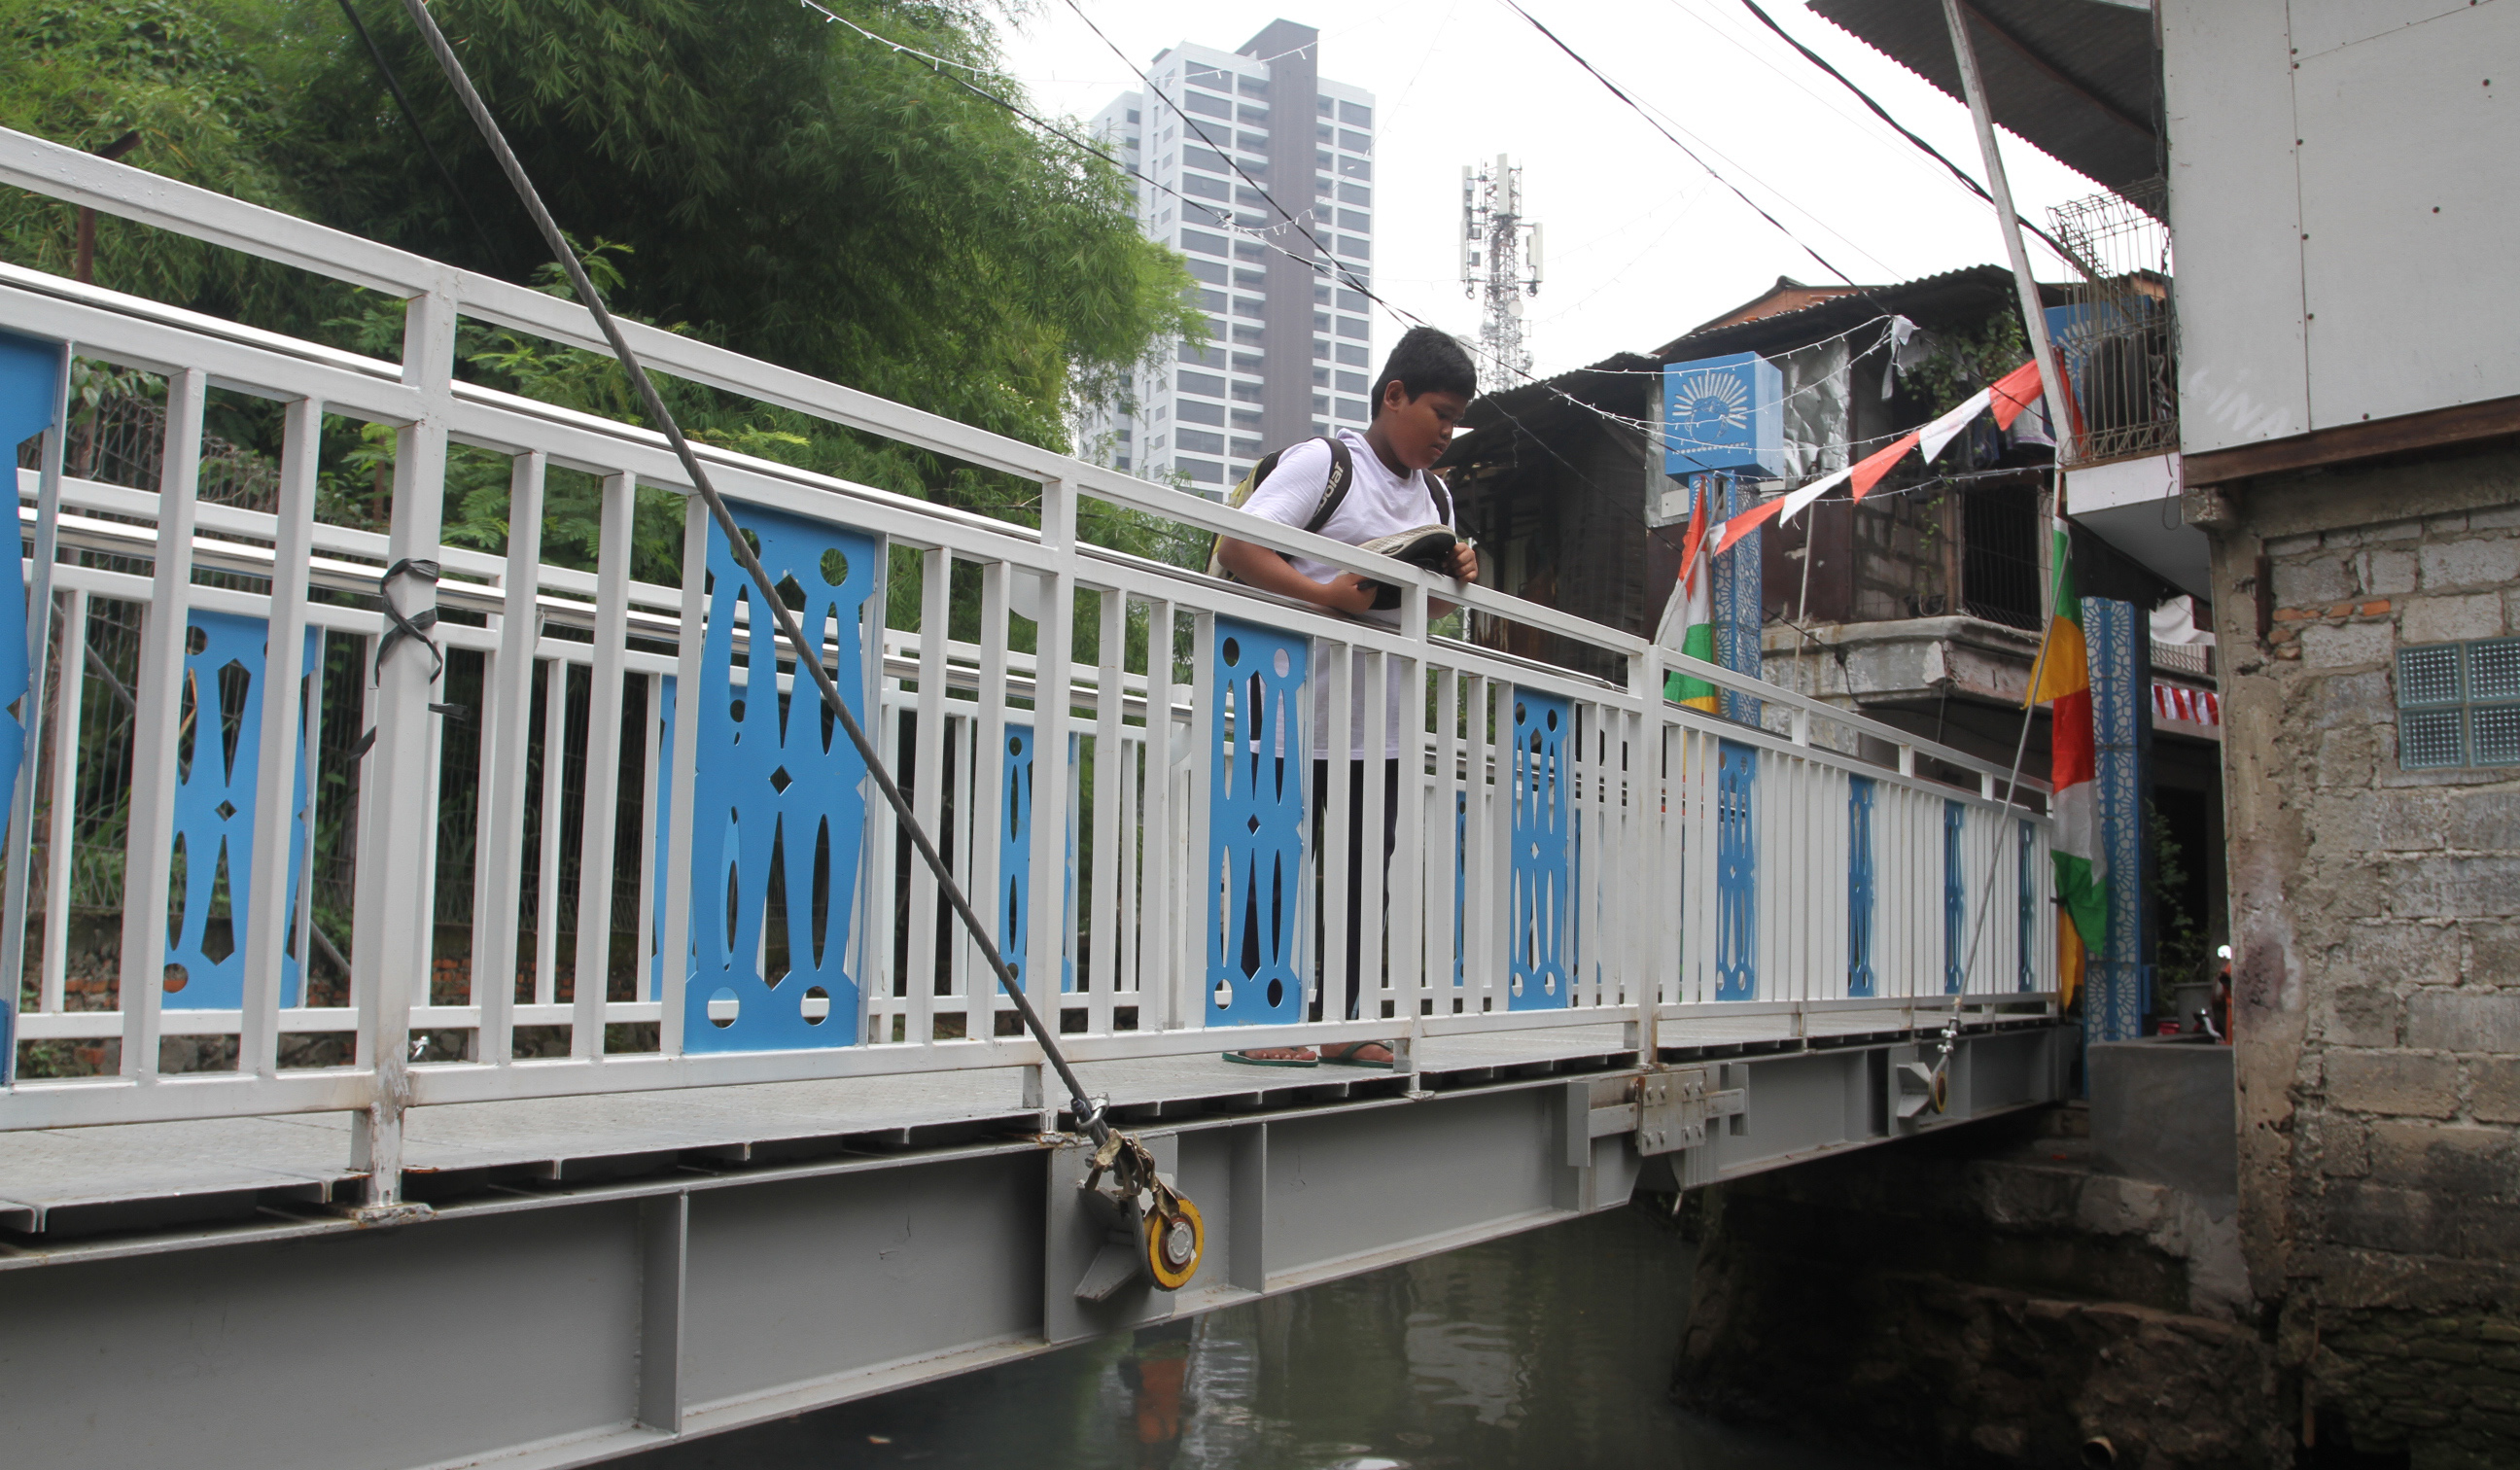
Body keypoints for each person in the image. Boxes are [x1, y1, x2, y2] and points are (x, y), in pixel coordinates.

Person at [1213, 326, 1480, 1068]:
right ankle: (1261, 1024)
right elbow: (1238, 545)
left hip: (1382, 718)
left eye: (1455, 419)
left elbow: (1429, 612)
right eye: (1438, 412)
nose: (1445, 433)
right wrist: (1326, 596)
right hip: (1297, 703)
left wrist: (1459, 575)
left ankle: (1346, 1018)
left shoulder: (1436, 496)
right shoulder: (1325, 463)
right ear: (1393, 396)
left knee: (1366, 867)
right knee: (1276, 855)